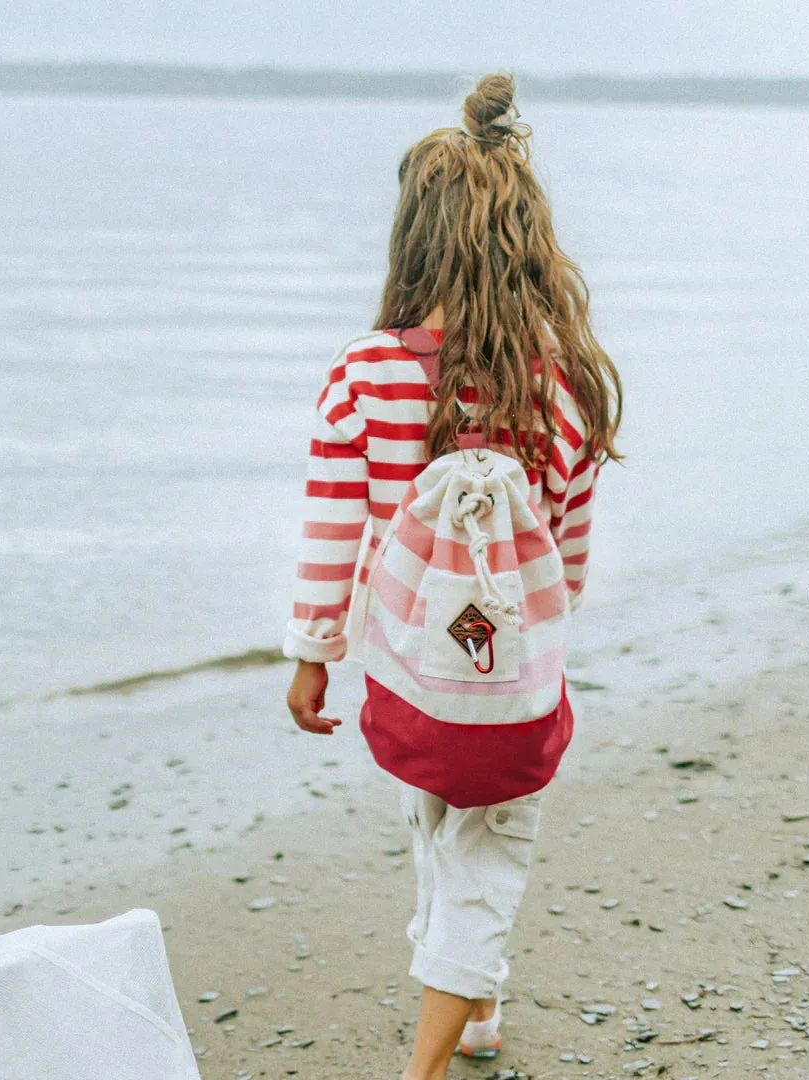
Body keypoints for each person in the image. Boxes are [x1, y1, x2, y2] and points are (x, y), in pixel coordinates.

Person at [283, 72, 622, 1080]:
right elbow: (568, 554)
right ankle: (472, 1011)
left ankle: (426, 1060)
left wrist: (312, 654)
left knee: (436, 821)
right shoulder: (565, 380)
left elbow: (331, 530)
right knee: (487, 850)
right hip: (513, 678)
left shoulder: (365, 372)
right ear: (529, 239)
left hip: (407, 672)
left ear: (412, 236)